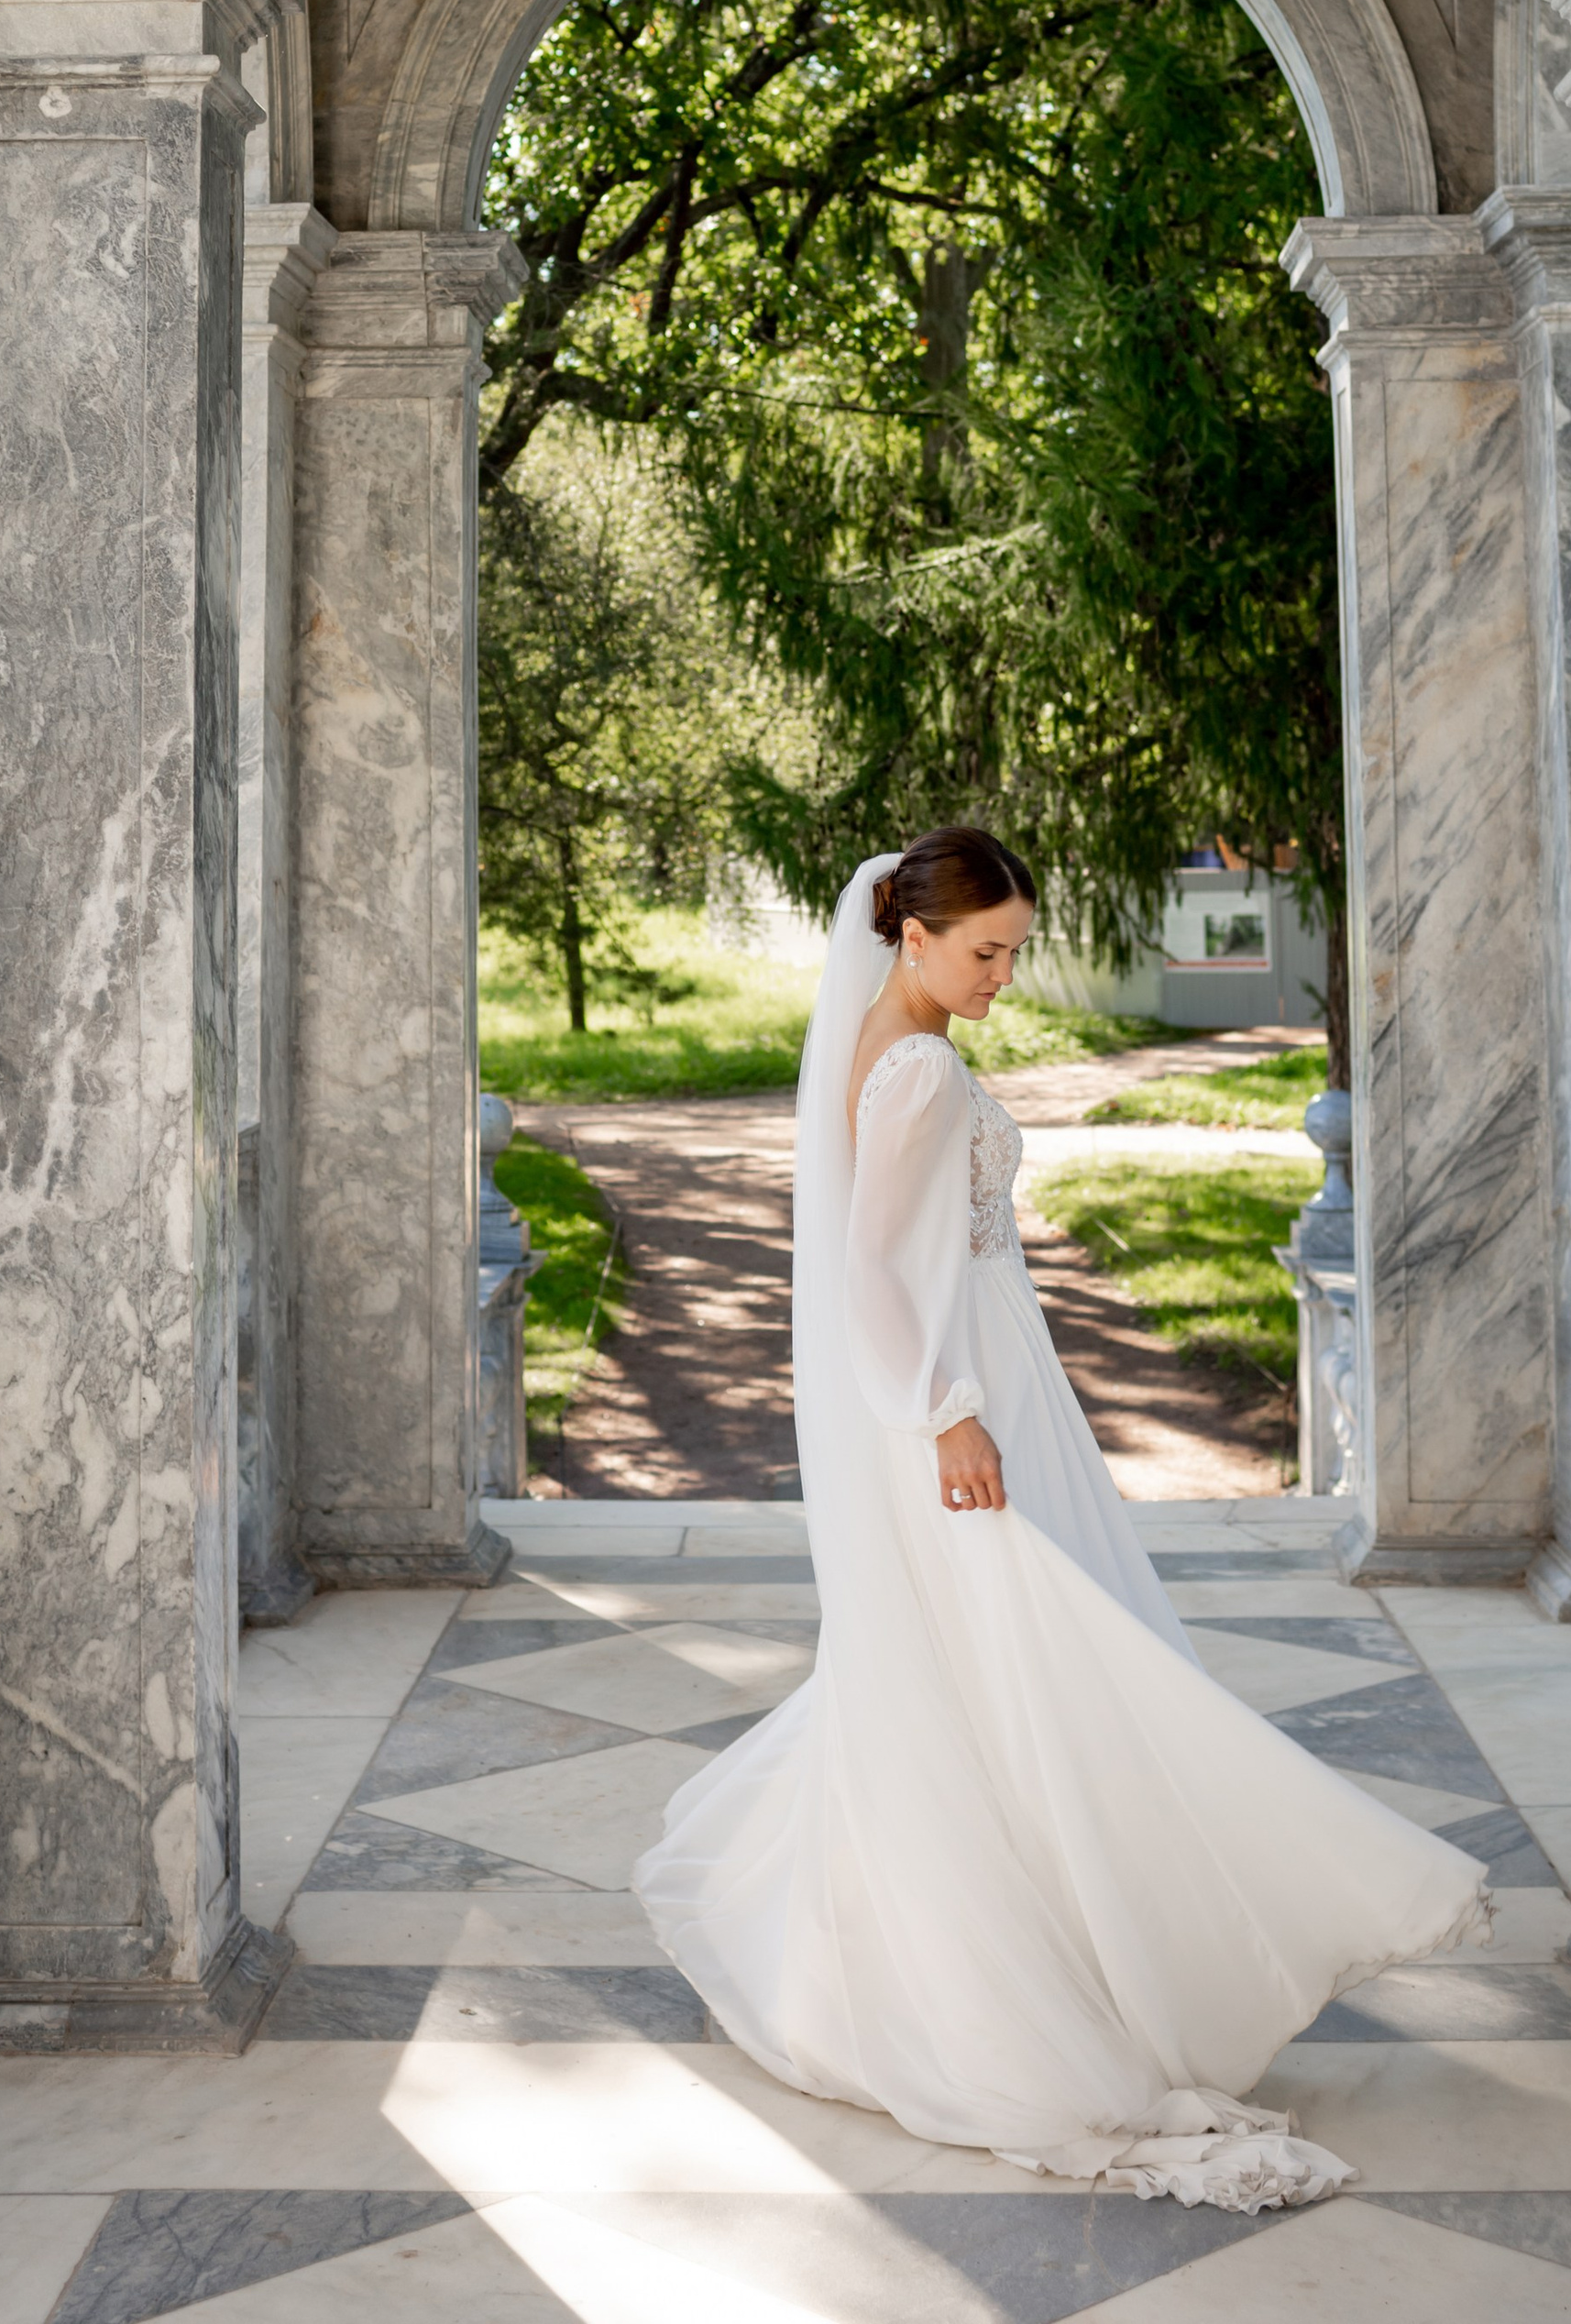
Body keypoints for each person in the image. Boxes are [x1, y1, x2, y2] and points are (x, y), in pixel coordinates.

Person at [633, 827, 1492, 2208]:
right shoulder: (912, 1067)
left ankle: (1030, 1933)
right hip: (963, 1404)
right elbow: (873, 1277)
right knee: (1039, 1672)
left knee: (993, 1679)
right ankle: (1042, 1973)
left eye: (1015, 949)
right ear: (911, 935)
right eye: (986, 950)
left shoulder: (892, 1034)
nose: (1003, 974)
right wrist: (949, 1408)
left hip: (982, 1385)